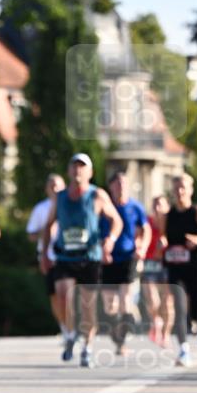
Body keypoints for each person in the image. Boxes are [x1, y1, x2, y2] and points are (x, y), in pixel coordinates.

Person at [43, 154, 122, 368]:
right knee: (62, 295)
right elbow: (49, 225)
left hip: (90, 258)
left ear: (90, 172)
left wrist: (110, 241)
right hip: (65, 256)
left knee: (88, 306)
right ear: (69, 171)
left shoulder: (97, 195)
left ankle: (87, 347)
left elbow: (116, 220)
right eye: (74, 166)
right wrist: (44, 253)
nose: (78, 170)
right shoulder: (59, 198)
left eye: (82, 167)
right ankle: (69, 333)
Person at [154, 174, 197, 367]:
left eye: (183, 187)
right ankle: (183, 349)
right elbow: (164, 239)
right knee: (179, 306)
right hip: (175, 267)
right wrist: (162, 243)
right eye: (176, 188)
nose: (179, 191)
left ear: (191, 190)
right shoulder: (167, 216)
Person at [100, 172, 151, 356]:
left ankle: (121, 342)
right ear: (111, 186)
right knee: (110, 306)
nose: (121, 187)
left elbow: (146, 230)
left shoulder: (136, 207)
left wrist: (142, 248)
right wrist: (101, 249)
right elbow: (95, 231)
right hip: (108, 259)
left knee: (125, 302)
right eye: (118, 183)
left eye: (124, 183)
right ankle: (117, 333)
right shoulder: (104, 207)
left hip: (129, 257)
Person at [26, 174, 66, 343]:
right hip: (48, 256)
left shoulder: (70, 205)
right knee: (54, 295)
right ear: (47, 189)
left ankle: (74, 326)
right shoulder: (41, 208)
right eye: (51, 186)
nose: (55, 189)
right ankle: (65, 328)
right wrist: (47, 231)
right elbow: (31, 234)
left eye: (58, 185)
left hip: (67, 256)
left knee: (69, 293)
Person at [141, 195, 173, 347]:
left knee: (167, 302)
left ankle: (166, 335)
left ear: (167, 206)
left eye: (160, 204)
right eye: (154, 204)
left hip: (167, 264)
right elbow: (139, 236)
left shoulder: (172, 222)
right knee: (152, 300)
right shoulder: (147, 221)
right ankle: (156, 321)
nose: (157, 207)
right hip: (150, 263)